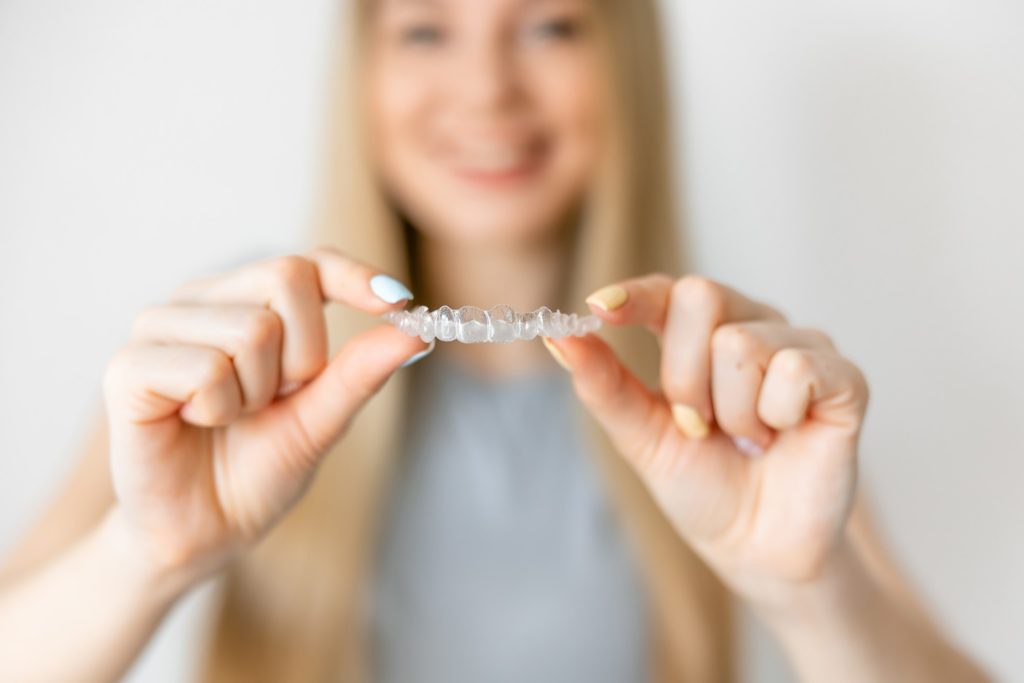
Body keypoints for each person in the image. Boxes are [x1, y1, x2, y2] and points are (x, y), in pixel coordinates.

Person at [0, 1, 992, 681]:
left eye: (549, 25)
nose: (486, 90)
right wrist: (149, 554)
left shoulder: (736, 380)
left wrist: (809, 589)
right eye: (427, 29)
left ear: (625, 56)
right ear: (363, 66)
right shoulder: (234, 361)